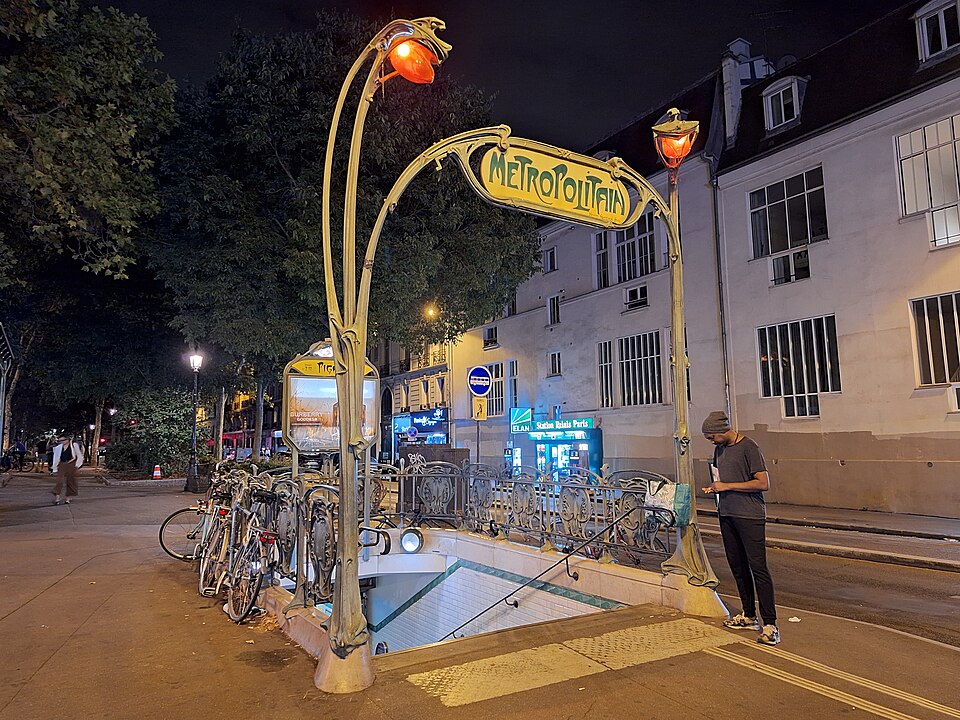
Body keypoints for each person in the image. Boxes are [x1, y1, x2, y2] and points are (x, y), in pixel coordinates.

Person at [701, 410, 780, 646]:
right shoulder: (720, 450)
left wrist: (726, 486)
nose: (711, 441)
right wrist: (716, 488)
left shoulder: (749, 447)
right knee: (738, 567)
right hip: (726, 514)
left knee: (758, 568)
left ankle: (770, 624)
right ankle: (748, 615)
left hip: (749, 515)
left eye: (712, 436)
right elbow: (722, 480)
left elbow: (763, 483)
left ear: (722, 431)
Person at [51, 435, 85, 505]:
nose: (62, 442)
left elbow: (79, 455)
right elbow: (56, 458)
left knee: (71, 481)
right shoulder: (58, 447)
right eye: (60, 441)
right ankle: (57, 498)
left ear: (67, 440)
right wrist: (54, 468)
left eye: (63, 440)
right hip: (61, 464)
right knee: (59, 481)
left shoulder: (74, 445)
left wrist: (77, 465)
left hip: (71, 464)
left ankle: (68, 498)